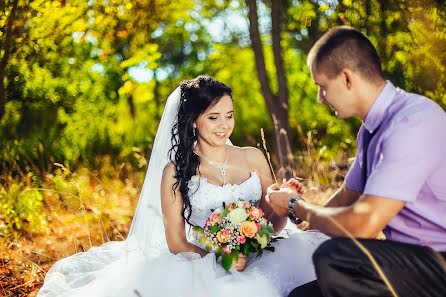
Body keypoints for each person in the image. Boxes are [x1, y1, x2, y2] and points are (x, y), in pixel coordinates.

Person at [37, 75, 329, 297]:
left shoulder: (252, 156)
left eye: (229, 115)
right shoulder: (175, 172)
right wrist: (223, 258)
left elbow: (273, 220)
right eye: (213, 117)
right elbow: (177, 242)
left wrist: (286, 201)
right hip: (203, 261)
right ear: (193, 121)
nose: (224, 125)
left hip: (263, 253)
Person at [266, 26, 446, 297]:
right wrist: (294, 219)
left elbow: (363, 224)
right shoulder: (370, 131)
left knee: (335, 258)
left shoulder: (412, 122)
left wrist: (296, 206)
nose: (320, 98)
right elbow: (346, 197)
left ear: (347, 78)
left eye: (322, 87)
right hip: (408, 260)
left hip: (438, 261)